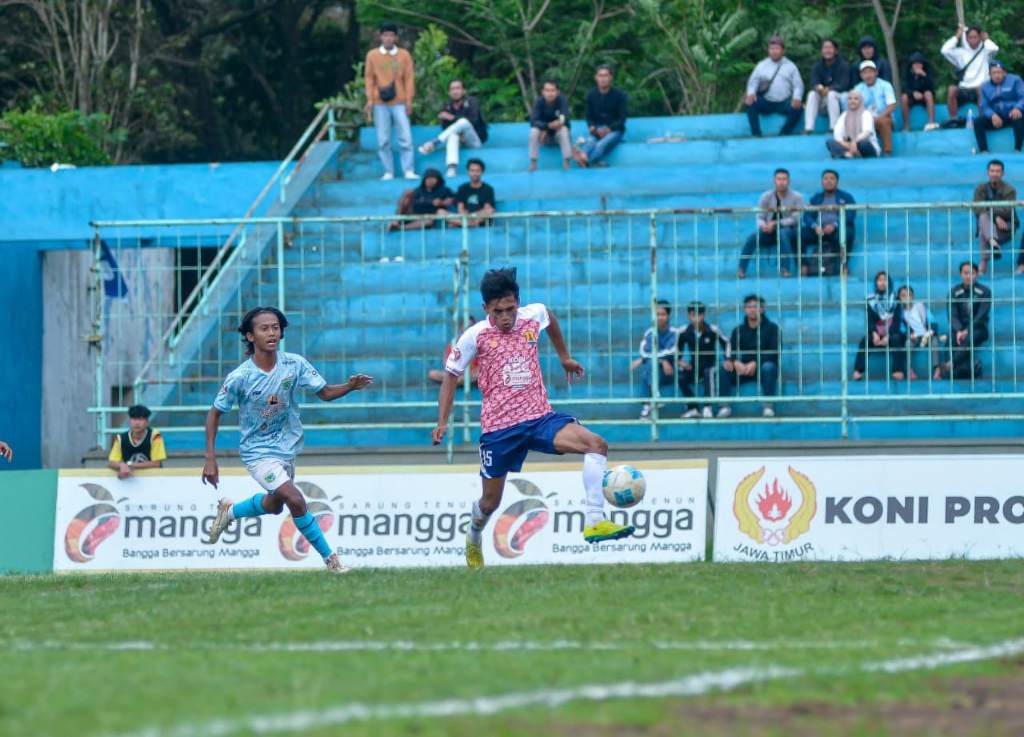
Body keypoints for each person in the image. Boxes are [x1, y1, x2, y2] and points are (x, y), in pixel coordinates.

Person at [432, 268, 636, 569]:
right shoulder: (475, 336)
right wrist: (442, 422)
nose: (505, 316)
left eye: (510, 309)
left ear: (518, 302)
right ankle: (473, 536)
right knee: (490, 503)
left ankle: (595, 521)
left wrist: (564, 357)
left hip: (540, 418)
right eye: (497, 311)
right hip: (499, 430)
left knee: (596, 444)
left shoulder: (533, 314)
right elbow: (451, 376)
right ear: (485, 309)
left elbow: (549, 318)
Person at [202, 307, 374, 573]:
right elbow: (214, 414)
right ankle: (331, 560)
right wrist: (210, 459)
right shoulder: (240, 377)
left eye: (275, 327)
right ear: (250, 336)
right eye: (264, 328)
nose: (271, 332)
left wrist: (350, 386)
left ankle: (230, 512)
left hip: (287, 448)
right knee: (296, 500)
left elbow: (325, 392)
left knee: (274, 505)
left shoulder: (294, 364)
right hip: (257, 453)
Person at [364, 22, 416, 181]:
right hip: (380, 102)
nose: (388, 38)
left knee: (405, 137)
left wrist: (409, 100)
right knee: (383, 139)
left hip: (400, 101)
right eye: (385, 35)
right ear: (380, 36)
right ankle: (388, 171)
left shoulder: (404, 55)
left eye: (391, 35)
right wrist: (370, 100)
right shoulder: (372, 55)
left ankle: (408, 170)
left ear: (396, 37)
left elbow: (409, 78)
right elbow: (369, 78)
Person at [718, 295, 781, 418]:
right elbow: (730, 350)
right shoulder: (738, 330)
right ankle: (724, 406)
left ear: (762, 309)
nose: (752, 309)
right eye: (749, 306)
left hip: (761, 368)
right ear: (744, 309)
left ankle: (768, 406)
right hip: (742, 368)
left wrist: (756, 363)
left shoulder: (773, 329)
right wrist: (734, 361)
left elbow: (774, 352)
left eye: (756, 306)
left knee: (768, 367)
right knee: (724, 367)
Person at [738, 168, 804, 278]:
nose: (781, 182)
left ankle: (785, 269)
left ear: (789, 181)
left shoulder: (797, 197)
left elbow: (796, 218)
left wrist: (776, 224)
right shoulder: (766, 196)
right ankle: (741, 269)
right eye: (779, 179)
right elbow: (760, 216)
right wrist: (764, 226)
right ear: (774, 181)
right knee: (752, 237)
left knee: (783, 234)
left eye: (784, 179)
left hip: (790, 230)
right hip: (769, 230)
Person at [417, 79, 488, 179]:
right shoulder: (447, 106)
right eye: (452, 89)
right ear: (449, 92)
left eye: (458, 88)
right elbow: (445, 128)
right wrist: (457, 131)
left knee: (463, 122)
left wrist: (452, 118)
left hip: (474, 140)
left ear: (464, 91)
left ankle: (434, 143)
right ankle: (451, 168)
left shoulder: (472, 101)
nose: (455, 91)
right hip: (458, 139)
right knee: (453, 135)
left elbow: (474, 121)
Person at [676, 301, 730, 419]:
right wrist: (679, 361)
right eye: (692, 315)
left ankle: (707, 406)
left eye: (699, 314)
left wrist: (728, 359)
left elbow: (726, 343)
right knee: (681, 377)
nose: (696, 318)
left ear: (703, 315)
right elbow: (677, 350)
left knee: (708, 372)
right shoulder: (683, 331)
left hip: (710, 364)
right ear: (688, 316)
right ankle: (693, 408)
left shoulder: (712, 329)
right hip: (693, 365)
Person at [851, 271, 907, 381]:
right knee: (865, 341)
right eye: (879, 280)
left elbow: (897, 320)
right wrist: (874, 334)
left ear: (889, 282)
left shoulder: (895, 299)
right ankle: (858, 371)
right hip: (877, 333)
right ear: (876, 283)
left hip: (892, 332)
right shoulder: (871, 300)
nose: (882, 282)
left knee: (897, 339)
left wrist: (888, 335)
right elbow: (870, 320)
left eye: (885, 280)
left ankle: (898, 371)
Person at [744, 36, 803, 137]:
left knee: (799, 109)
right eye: (772, 48)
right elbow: (753, 82)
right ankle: (756, 134)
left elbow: (798, 85)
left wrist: (796, 97)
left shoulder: (790, 66)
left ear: (782, 50)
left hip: (784, 102)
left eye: (777, 48)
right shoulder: (761, 65)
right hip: (767, 101)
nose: (774, 51)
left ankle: (784, 133)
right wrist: (751, 93)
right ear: (768, 50)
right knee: (750, 104)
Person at [801, 169, 857, 276]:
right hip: (819, 230)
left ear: (837, 181)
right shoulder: (816, 198)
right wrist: (815, 226)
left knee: (847, 232)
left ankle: (843, 264)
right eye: (826, 179)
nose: (829, 181)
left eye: (832, 179)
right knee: (800, 234)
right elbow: (807, 216)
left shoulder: (846, 197)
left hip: (837, 229)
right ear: (822, 181)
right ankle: (803, 265)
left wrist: (835, 225)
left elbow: (851, 215)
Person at [941, 262, 991, 379]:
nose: (969, 276)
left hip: (979, 328)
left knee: (969, 338)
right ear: (960, 274)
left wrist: (967, 330)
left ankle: (950, 365)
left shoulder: (985, 291)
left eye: (972, 273)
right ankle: (953, 372)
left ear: (977, 274)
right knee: (950, 340)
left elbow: (981, 315)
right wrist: (959, 330)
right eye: (966, 273)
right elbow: (952, 314)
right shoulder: (954, 292)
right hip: (959, 328)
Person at [629, 299, 677, 419]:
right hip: (652, 370)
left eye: (662, 314)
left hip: (668, 372)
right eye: (657, 314)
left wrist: (644, 359)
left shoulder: (674, 333)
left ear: (668, 315)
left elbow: (671, 350)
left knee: (648, 365)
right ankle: (652, 401)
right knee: (649, 366)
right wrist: (661, 359)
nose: (659, 317)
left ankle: (648, 404)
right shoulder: (650, 332)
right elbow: (644, 351)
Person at [573, 64, 627, 168]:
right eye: (600, 76)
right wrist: (592, 126)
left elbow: (622, 120)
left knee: (600, 144)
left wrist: (609, 129)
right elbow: (589, 116)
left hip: (615, 130)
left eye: (605, 75)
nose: (603, 79)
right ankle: (585, 157)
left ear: (611, 77)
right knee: (590, 142)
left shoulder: (620, 95)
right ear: (596, 77)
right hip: (598, 129)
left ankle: (585, 161)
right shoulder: (591, 95)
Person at [941, 25, 999, 120]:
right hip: (964, 88)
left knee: (981, 89)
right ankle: (954, 119)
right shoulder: (960, 52)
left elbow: (995, 49)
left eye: (975, 37)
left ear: (980, 37)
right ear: (966, 39)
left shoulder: (985, 51)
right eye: (970, 37)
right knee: (952, 90)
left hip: (981, 89)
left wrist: (986, 39)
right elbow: (944, 50)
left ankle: (982, 119)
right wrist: (957, 36)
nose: (973, 40)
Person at [973, 159, 1018, 275]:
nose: (995, 174)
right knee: (983, 219)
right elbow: (977, 208)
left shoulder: (1010, 190)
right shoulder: (980, 189)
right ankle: (993, 242)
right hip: (988, 226)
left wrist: (993, 214)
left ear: (1002, 174)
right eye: (992, 171)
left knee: (984, 226)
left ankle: (983, 264)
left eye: (998, 171)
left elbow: (1008, 211)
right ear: (988, 172)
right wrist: (995, 216)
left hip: (1005, 227)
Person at [898, 285, 946, 381]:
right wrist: (910, 335)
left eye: (909, 295)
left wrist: (931, 331)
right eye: (903, 295)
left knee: (935, 341)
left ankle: (936, 369)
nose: (906, 297)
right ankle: (908, 370)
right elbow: (901, 328)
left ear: (913, 297)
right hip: (913, 336)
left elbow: (932, 321)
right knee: (908, 344)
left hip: (926, 335)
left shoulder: (920, 307)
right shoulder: (900, 313)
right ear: (899, 298)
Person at [976, 61, 1024, 155]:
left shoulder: (1015, 80)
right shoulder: (985, 87)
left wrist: (1018, 108)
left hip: (1013, 113)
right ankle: (983, 150)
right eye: (994, 73)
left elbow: (1023, 97)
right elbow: (984, 106)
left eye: (999, 72)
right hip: (997, 117)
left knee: (1018, 117)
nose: (997, 75)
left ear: (1004, 72)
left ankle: (1017, 149)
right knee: (978, 122)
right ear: (989, 74)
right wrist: (992, 115)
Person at [107, 404, 167, 479]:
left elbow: (156, 463)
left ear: (147, 422)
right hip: (130, 481)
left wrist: (130, 465)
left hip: (153, 479)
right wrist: (121, 465)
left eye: (141, 419)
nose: (137, 423)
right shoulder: (120, 438)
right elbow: (111, 462)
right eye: (134, 419)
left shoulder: (155, 436)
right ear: (130, 421)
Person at [804, 38, 850, 134]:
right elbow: (814, 83)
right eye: (825, 48)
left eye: (830, 48)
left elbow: (844, 85)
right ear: (821, 51)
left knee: (832, 94)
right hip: (823, 100)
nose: (827, 50)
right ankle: (808, 128)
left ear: (836, 51)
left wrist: (829, 89)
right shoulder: (817, 66)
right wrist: (818, 88)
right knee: (812, 94)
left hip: (838, 99)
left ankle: (834, 128)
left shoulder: (843, 65)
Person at [387, 168, 454, 232]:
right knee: (408, 192)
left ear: (438, 180)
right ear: (424, 180)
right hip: (412, 213)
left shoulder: (444, 190)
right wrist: (431, 202)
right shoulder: (418, 191)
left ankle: (400, 228)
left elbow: (453, 199)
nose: (430, 181)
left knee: (429, 221)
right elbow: (413, 203)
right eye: (428, 178)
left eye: (433, 178)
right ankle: (396, 219)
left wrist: (443, 202)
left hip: (427, 217)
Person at [854, 60, 896, 156]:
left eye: (870, 72)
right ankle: (853, 151)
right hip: (864, 119)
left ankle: (887, 151)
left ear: (876, 72)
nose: (868, 75)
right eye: (865, 72)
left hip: (883, 117)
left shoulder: (885, 85)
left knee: (883, 121)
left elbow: (892, 105)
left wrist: (878, 117)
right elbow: (854, 107)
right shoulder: (858, 88)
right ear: (861, 75)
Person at [528, 80, 572, 171]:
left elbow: (565, 117)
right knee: (534, 131)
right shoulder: (539, 102)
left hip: (558, 135)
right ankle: (533, 162)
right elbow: (533, 121)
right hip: (544, 137)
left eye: (552, 90)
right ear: (543, 92)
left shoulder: (562, 100)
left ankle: (566, 162)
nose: (550, 93)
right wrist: (547, 126)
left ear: (557, 92)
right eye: (547, 90)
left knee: (563, 129)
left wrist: (558, 123)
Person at [826, 89, 880, 159]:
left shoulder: (866, 114)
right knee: (830, 142)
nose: (852, 101)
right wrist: (847, 145)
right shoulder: (844, 115)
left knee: (864, 143)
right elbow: (837, 134)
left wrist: (855, 142)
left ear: (860, 101)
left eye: (856, 99)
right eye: (850, 99)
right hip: (848, 146)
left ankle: (850, 154)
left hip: (864, 147)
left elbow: (867, 132)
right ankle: (847, 154)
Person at [451, 159, 496, 227]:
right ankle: (470, 224)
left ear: (482, 172)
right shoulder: (462, 188)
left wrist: (474, 216)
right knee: (441, 212)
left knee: (490, 210)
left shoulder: (488, 189)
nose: (474, 173)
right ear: (468, 172)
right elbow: (460, 208)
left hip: (479, 219)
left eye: (477, 171)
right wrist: (465, 214)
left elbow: (487, 208)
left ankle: (469, 223)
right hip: (465, 217)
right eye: (472, 171)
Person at [900, 52, 939, 132]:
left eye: (919, 63)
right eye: (915, 64)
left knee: (928, 94)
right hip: (911, 97)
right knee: (904, 97)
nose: (918, 66)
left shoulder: (927, 72)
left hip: (924, 97)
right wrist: (913, 93)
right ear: (912, 65)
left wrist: (924, 76)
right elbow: (904, 86)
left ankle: (931, 123)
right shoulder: (907, 73)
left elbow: (932, 87)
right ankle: (906, 126)